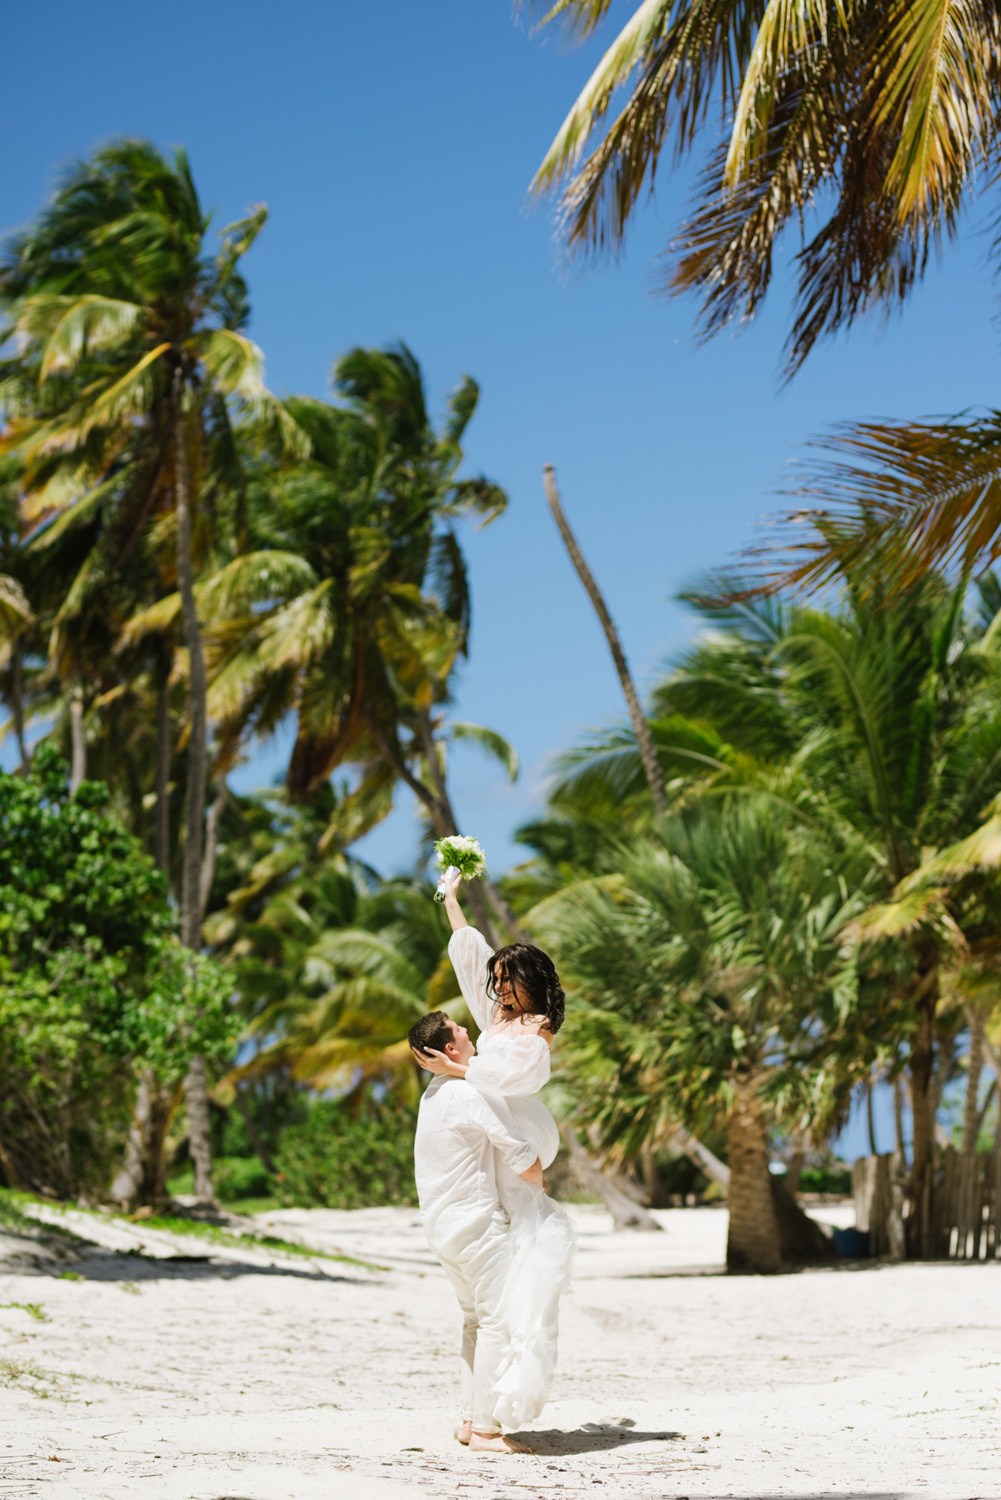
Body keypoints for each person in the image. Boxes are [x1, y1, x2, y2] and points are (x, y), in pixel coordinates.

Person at [412, 873, 574, 1432]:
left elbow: (514, 1073)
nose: (499, 991)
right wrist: (452, 899)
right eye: (498, 982)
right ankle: (483, 1414)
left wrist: (458, 1068)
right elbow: (469, 958)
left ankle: (490, 1409)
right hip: (500, 1139)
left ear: (530, 981)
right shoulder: (498, 1017)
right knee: (490, 1302)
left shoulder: (537, 1028)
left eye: (508, 982)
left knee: (511, 1285)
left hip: (519, 1126)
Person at [409, 1008, 542, 1454]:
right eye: (461, 1030)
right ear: (451, 1049)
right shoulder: (467, 1094)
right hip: (475, 1225)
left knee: (474, 1322)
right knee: (497, 1323)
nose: (469, 1031)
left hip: (441, 1227)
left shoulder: (432, 1096)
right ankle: (486, 1429)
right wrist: (539, 1179)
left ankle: (470, 1418)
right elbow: (514, 1147)